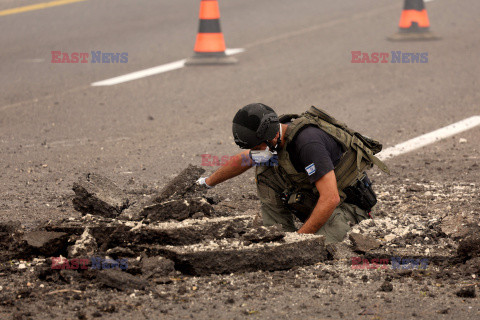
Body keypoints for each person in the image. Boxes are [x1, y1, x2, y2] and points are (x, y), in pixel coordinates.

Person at [196, 103, 389, 243]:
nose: (255, 151)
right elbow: (243, 159)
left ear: (270, 136)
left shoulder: (308, 143)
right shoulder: (275, 138)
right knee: (265, 170)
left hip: (347, 206)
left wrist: (298, 241)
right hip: (317, 197)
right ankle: (278, 231)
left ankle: (297, 238)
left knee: (321, 247)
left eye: (257, 146)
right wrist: (206, 183)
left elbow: (330, 198)